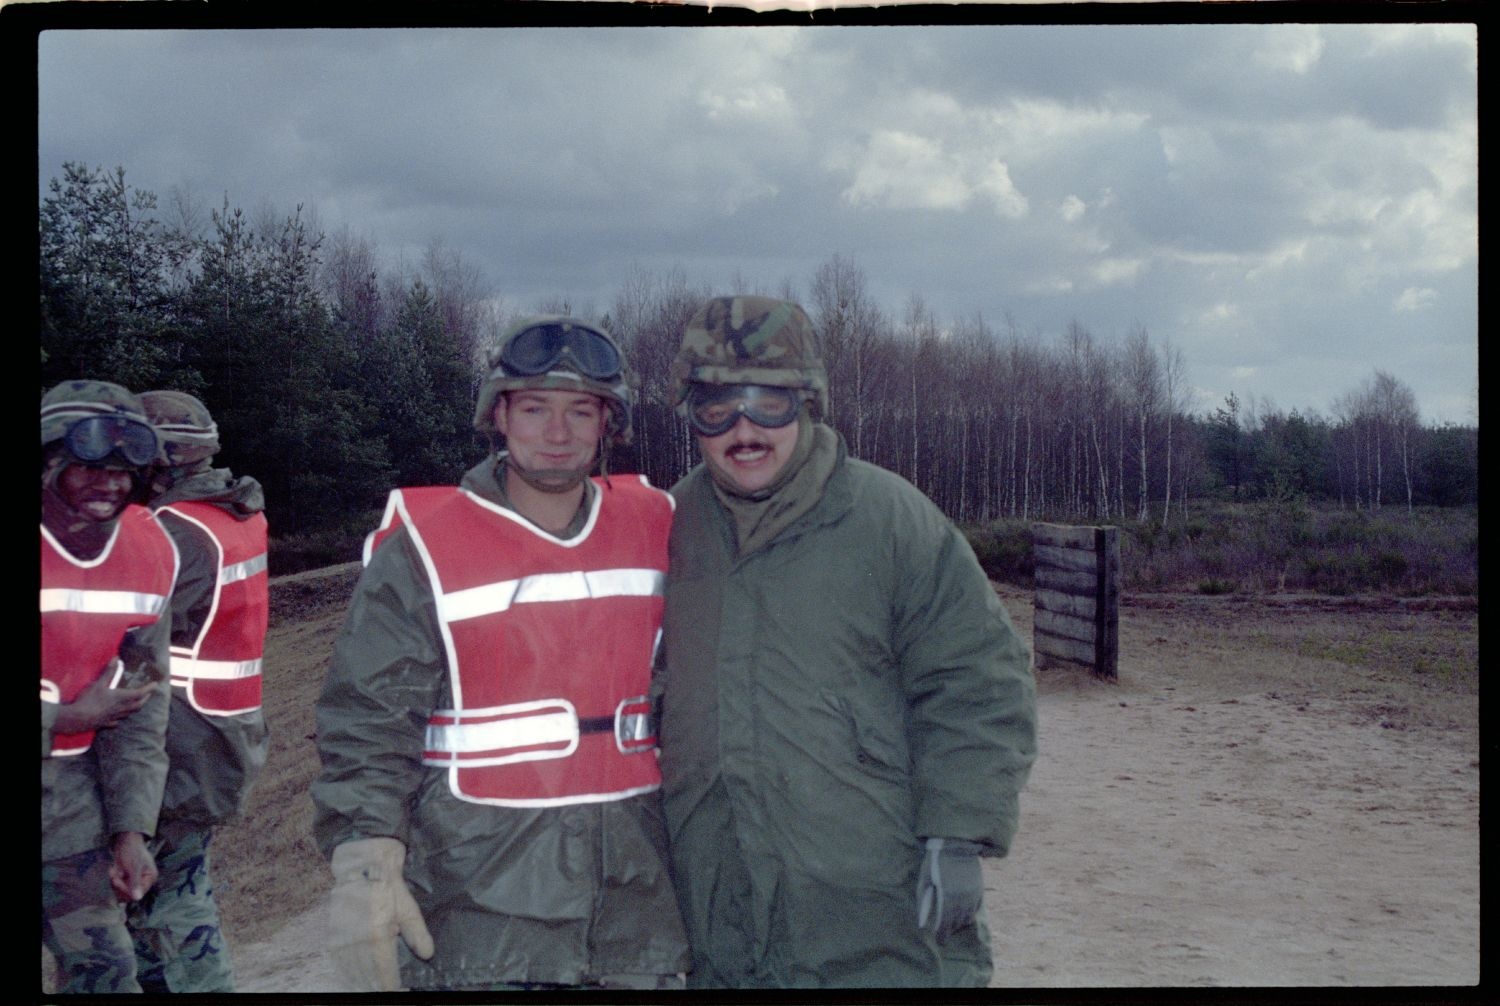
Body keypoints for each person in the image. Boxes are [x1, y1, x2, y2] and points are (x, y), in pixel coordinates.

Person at [655, 296, 1038, 988]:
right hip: (712, 915)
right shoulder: (665, 531)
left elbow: (978, 677)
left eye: (768, 402)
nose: (744, 429)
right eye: (717, 407)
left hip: (870, 912)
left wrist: (958, 831)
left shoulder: (889, 521)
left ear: (808, 403)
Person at [311, 316, 690, 991]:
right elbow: (368, 716)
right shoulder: (425, 547)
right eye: (536, 409)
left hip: (637, 911)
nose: (558, 431)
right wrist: (366, 861)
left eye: (581, 411)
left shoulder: (659, 523)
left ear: (609, 424)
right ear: (500, 417)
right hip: (478, 915)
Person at [124, 390, 270, 993]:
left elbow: (127, 638)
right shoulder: (237, 513)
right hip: (218, 736)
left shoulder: (167, 530)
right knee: (155, 900)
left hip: (175, 744)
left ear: (160, 457)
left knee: (174, 904)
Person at [41, 380, 178, 994]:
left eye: (126, 470)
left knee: (108, 972)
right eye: (90, 466)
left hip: (67, 815)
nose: (111, 483)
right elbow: (81, 714)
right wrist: (62, 720)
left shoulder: (150, 552)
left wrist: (130, 831)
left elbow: (141, 709)